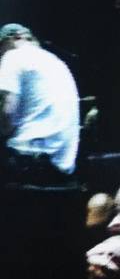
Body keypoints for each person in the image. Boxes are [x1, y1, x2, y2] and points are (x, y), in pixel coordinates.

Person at [0, 23, 80, 184]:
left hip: (30, 163)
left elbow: (7, 116)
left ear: (14, 38)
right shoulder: (56, 61)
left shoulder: (13, 56)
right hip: (62, 168)